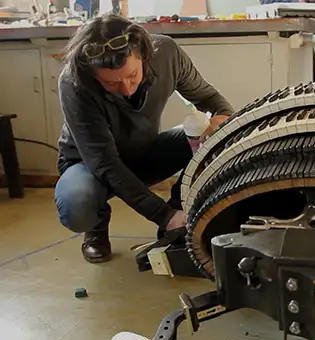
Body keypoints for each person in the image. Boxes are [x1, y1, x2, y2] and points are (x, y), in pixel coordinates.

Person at [54, 14, 235, 263]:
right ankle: (96, 225)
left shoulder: (167, 53)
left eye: (133, 75)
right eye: (111, 83)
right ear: (91, 75)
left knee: (217, 136)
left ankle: (181, 207)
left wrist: (221, 119)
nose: (127, 88)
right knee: (77, 204)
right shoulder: (73, 83)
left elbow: (210, 98)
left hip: (144, 152)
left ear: (144, 54)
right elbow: (104, 163)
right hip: (89, 166)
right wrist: (163, 214)